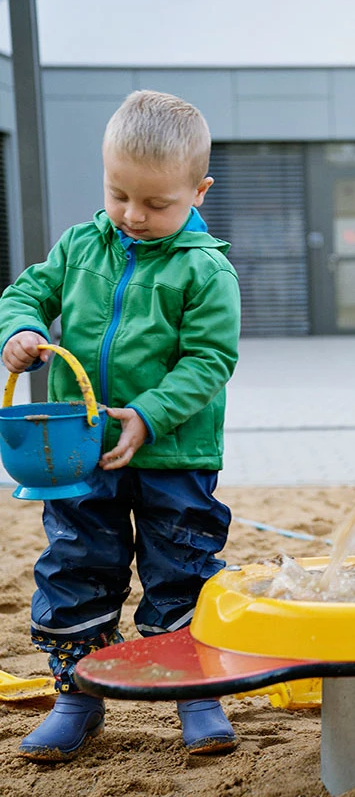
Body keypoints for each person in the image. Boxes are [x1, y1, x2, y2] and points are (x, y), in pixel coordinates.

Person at [1, 90, 242, 762]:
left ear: (199, 192)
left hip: (176, 454)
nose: (133, 216)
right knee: (77, 563)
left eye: (157, 204)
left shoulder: (205, 268)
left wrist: (149, 414)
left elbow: (210, 359)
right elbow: (25, 293)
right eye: (119, 195)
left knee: (181, 566)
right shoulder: (81, 244)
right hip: (76, 452)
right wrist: (20, 330)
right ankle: (78, 693)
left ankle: (195, 693)